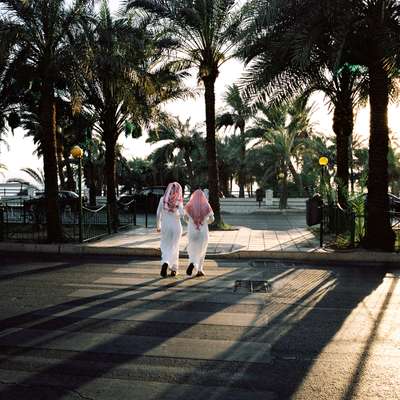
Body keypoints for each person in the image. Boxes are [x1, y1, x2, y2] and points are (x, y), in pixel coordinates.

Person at [156, 182, 184, 278]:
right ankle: (174, 269)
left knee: (165, 246)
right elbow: (182, 214)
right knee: (175, 247)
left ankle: (165, 262)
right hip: (176, 226)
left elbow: (158, 214)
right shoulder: (178, 201)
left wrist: (158, 226)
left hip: (165, 226)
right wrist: (176, 212)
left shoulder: (162, 199)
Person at [184, 189, 214, 277]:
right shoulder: (206, 205)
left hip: (192, 231)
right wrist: (204, 222)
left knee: (192, 249)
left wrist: (191, 223)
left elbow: (185, 218)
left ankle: (193, 262)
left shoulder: (189, 205)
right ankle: (199, 269)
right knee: (202, 250)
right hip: (203, 231)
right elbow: (212, 219)